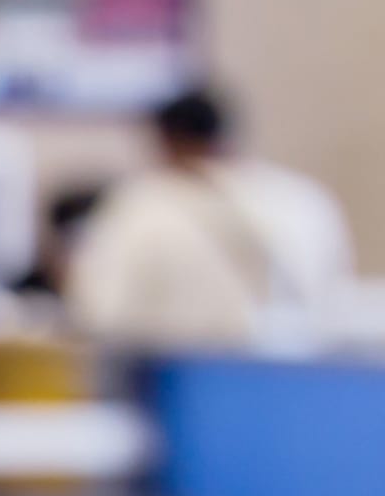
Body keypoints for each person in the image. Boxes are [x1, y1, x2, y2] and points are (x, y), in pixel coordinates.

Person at [69, 87, 357, 352]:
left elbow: (100, 314)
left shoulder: (142, 206)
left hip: (184, 383)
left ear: (164, 140)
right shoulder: (304, 199)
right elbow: (334, 298)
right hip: (299, 377)